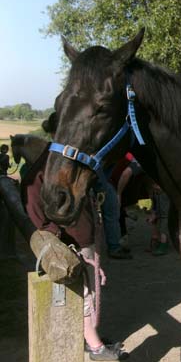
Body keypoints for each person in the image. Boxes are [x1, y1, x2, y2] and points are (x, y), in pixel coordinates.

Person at [21, 117, 129, 360]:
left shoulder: (66, 161)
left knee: (92, 292)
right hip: (74, 243)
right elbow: (33, 204)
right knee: (85, 296)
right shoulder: (44, 167)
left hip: (85, 239)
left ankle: (93, 336)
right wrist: (57, 236)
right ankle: (95, 347)